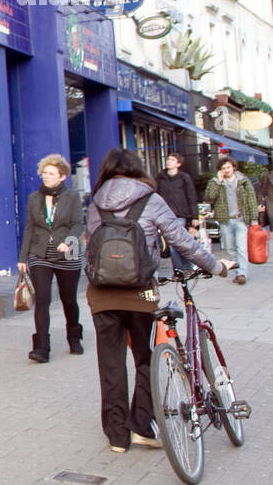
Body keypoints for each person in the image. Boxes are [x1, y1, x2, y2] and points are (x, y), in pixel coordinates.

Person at [84, 149, 234, 454]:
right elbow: (182, 241)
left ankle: (116, 436)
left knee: (110, 363)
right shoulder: (150, 198)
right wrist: (216, 266)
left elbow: (91, 246)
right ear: (137, 168)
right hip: (141, 294)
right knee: (145, 358)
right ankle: (141, 426)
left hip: (102, 293)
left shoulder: (95, 201)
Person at [17, 154, 84, 363]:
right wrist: (23, 257)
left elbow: (78, 223)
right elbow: (29, 227)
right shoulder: (34, 198)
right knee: (43, 299)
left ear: (62, 176)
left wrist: (68, 241)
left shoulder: (72, 197)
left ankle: (74, 338)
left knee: (69, 299)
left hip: (68, 252)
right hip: (40, 253)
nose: (46, 177)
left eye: (51, 173)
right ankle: (41, 348)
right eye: (44, 173)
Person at [202, 156, 258, 284]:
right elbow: (209, 197)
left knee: (242, 247)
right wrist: (218, 181)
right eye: (223, 168)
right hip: (225, 219)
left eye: (228, 167)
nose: (226, 170)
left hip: (241, 219)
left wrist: (254, 218)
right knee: (229, 248)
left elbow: (251, 199)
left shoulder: (243, 180)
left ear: (233, 167)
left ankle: (242, 273)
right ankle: (238, 266)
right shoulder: (216, 181)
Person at [155, 153, 199, 273]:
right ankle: (183, 267)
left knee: (176, 242)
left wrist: (195, 216)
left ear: (178, 164)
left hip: (180, 215)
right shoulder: (160, 178)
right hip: (164, 215)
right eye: (168, 159)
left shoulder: (184, 178)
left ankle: (181, 268)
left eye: (172, 160)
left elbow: (191, 197)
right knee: (172, 243)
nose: (169, 161)